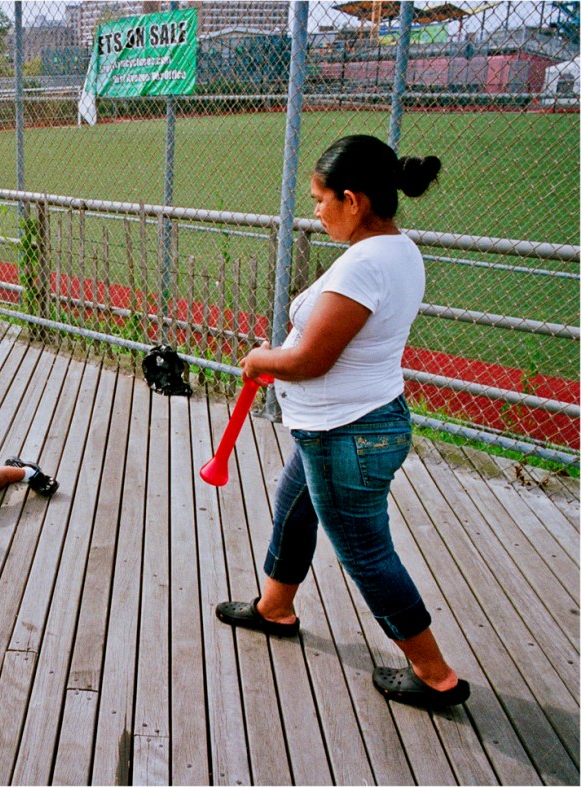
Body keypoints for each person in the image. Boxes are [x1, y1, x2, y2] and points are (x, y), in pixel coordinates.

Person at [215, 135, 469, 710]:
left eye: (320, 199)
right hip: (349, 424)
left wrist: (261, 360)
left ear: (353, 200)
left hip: (344, 435)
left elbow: (310, 360)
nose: (315, 210)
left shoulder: (364, 265)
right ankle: (275, 608)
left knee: (366, 552)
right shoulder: (398, 250)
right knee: (293, 508)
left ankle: (435, 674)